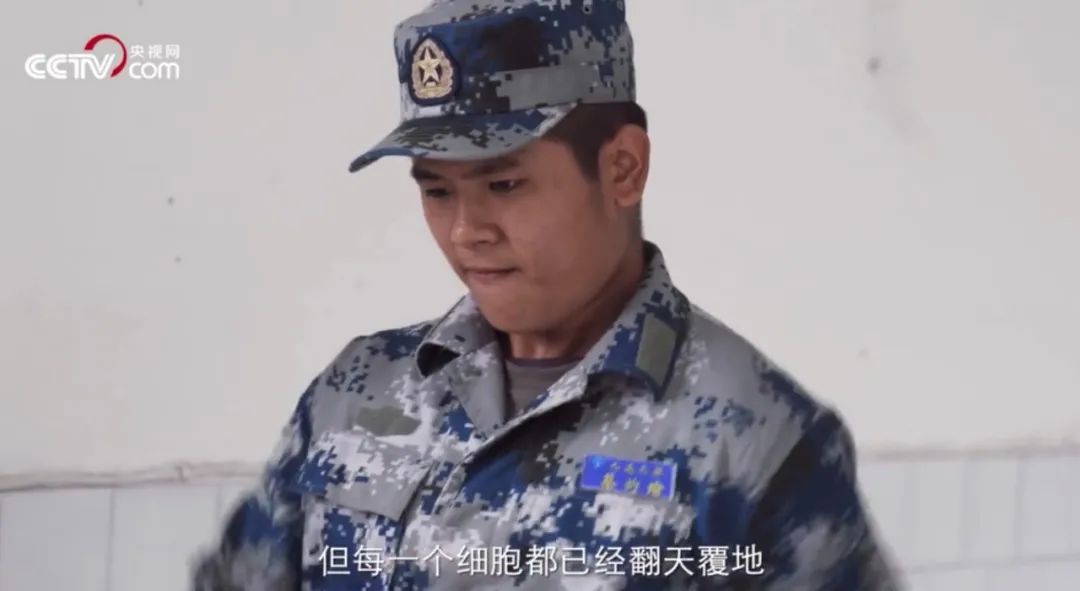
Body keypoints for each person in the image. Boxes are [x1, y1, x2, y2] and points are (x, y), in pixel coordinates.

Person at [192, 0, 901, 589]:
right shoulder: (352, 393)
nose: (466, 231)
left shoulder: (757, 439)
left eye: (504, 184)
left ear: (622, 168)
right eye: (437, 191)